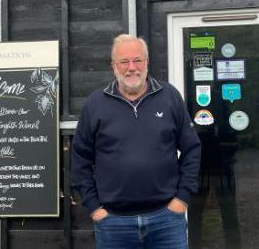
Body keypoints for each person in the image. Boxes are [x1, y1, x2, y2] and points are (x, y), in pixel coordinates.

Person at [72, 34, 201, 249]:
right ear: (113, 65)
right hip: (113, 223)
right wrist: (95, 208)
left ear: (147, 62)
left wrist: (182, 198)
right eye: (124, 62)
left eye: (137, 60)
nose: (132, 67)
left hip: (166, 220)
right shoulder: (95, 103)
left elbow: (192, 149)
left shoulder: (169, 97)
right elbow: (80, 159)